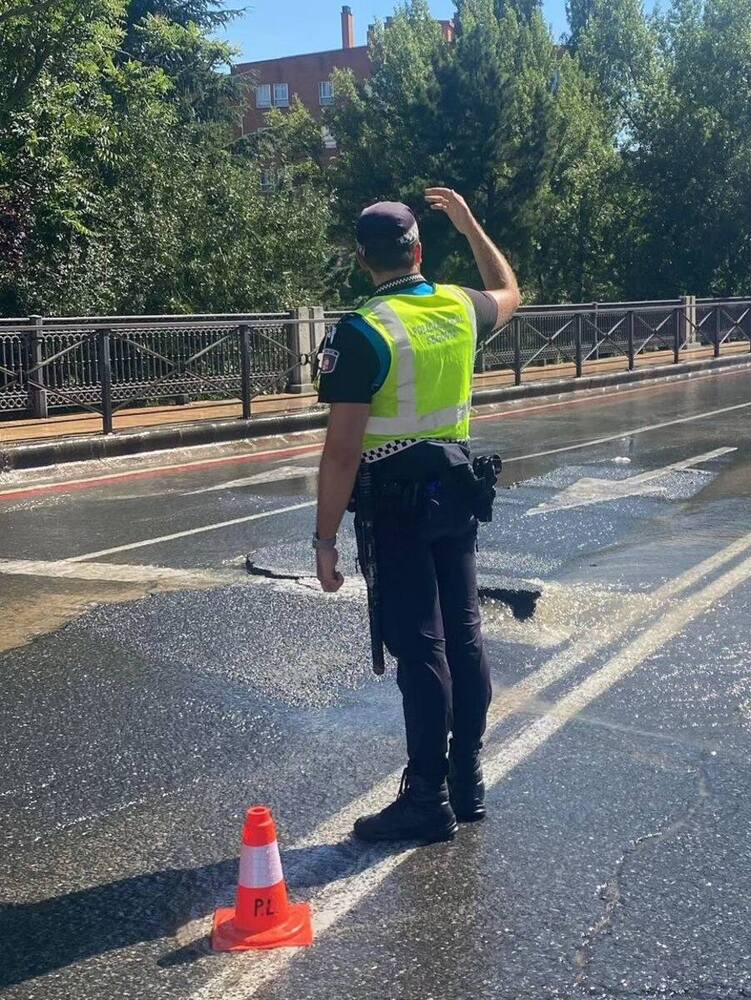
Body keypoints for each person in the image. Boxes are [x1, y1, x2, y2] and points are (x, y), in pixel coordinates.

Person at [313, 188, 521, 843]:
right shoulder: (460, 307)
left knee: (421, 648)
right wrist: (469, 222)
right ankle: (467, 779)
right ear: (420, 251)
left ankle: (425, 797)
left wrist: (323, 541)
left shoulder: (362, 332)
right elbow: (510, 288)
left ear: (360, 259)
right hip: (456, 494)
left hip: (395, 504)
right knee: (463, 638)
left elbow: (342, 451)